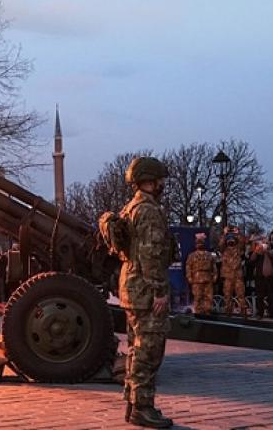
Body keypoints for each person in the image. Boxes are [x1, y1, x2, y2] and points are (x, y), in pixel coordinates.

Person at [107, 156, 175, 428]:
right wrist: (159, 290)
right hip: (146, 289)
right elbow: (151, 254)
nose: (162, 184)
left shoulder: (131, 207)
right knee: (149, 350)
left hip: (132, 286)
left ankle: (133, 403)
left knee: (136, 349)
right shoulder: (148, 210)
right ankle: (143, 408)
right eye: (160, 180)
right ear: (150, 180)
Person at [220, 228, 246, 316]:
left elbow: (242, 243)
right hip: (228, 277)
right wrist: (224, 234)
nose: (230, 242)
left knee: (241, 296)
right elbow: (220, 244)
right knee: (227, 297)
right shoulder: (224, 251)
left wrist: (237, 233)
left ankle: (244, 315)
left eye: (232, 240)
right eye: (229, 240)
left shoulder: (238, 249)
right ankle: (228, 315)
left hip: (238, 277)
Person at [250, 239, 273, 318]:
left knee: (271, 296)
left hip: (270, 278)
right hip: (260, 278)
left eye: (266, 243)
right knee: (260, 296)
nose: (264, 245)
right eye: (263, 244)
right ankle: (260, 313)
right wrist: (257, 250)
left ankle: (272, 313)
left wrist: (267, 250)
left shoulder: (271, 252)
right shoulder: (258, 253)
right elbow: (251, 259)